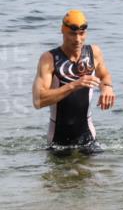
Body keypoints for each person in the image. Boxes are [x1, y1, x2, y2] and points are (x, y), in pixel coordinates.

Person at [32, 10, 115, 150]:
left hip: (88, 138)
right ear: (62, 31)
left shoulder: (94, 53)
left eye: (81, 34)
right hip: (58, 142)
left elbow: (104, 75)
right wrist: (74, 85)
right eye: (72, 34)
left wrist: (107, 87)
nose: (77, 40)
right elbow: (38, 100)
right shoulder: (49, 59)